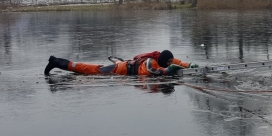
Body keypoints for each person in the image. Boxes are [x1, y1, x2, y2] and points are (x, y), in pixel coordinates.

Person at [44, 50, 197, 76]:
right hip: (119, 69)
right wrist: (167, 71)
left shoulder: (164, 60)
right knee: (90, 70)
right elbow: (149, 71)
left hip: (124, 67)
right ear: (164, 61)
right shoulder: (152, 62)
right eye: (169, 61)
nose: (171, 62)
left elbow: (176, 62)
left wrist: (189, 66)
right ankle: (56, 61)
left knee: (91, 69)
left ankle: (57, 62)